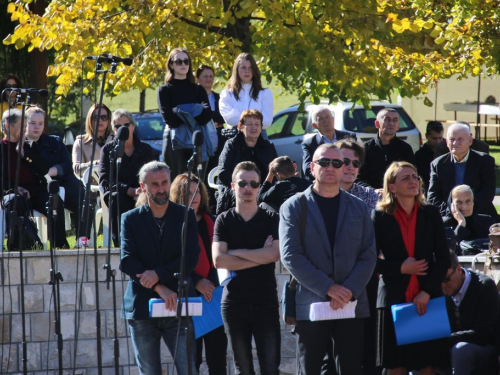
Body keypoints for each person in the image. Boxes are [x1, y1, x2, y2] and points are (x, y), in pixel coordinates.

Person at [280, 143, 377, 374]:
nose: (330, 167)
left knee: (351, 369)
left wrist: (348, 290)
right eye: (324, 162)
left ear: (344, 167)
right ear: (312, 167)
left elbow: (368, 254)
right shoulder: (293, 207)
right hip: (312, 304)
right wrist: (329, 288)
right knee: (311, 369)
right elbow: (291, 256)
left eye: (337, 162)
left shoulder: (360, 208)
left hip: (350, 304)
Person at [119, 161, 200, 375]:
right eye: (155, 184)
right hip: (142, 307)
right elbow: (128, 261)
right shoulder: (130, 219)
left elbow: (191, 257)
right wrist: (159, 287)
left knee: (189, 370)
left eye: (165, 182)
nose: (162, 188)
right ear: (143, 186)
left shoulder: (186, 215)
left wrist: (158, 274)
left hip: (179, 305)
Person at [372, 161, 450, 374]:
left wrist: (426, 292)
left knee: (426, 366)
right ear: (392, 186)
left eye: (415, 177)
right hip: (393, 301)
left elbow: (444, 258)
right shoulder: (379, 216)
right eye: (405, 178)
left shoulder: (431, 213)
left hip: (426, 300)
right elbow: (369, 261)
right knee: (395, 367)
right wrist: (400, 268)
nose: (413, 181)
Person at [213, 161, 281, 375]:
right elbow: (219, 261)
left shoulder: (271, 218)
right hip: (234, 303)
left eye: (254, 183)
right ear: (233, 186)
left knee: (271, 367)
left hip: (265, 302)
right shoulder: (223, 220)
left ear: (260, 187)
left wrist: (234, 252)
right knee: (243, 369)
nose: (248, 188)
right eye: (243, 183)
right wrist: (260, 255)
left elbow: (274, 255)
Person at [169, 173, 228, 375]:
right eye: (188, 193)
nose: (194, 197)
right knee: (191, 361)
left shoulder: (212, 221)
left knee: (218, 360)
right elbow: (170, 260)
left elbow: (221, 254)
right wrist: (195, 282)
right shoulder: (172, 225)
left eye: (197, 192)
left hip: (214, 296)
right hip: (187, 297)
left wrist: (209, 282)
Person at [25, 106, 91, 246]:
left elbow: (67, 165)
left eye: (41, 123)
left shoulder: (55, 141)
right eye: (32, 123)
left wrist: (51, 171)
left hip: (63, 181)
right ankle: (61, 246)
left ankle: (82, 241)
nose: (37, 127)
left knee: (85, 199)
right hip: (40, 188)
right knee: (54, 203)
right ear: (25, 123)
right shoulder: (21, 146)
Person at [1, 109, 67, 249]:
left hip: (36, 190)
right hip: (11, 191)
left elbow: (44, 169)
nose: (26, 130)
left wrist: (24, 153)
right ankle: (21, 246)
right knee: (14, 201)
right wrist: (13, 188)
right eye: (23, 126)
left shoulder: (30, 145)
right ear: (8, 126)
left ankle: (60, 247)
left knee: (54, 201)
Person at [99, 108, 154, 247]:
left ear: (133, 126)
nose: (122, 129)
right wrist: (129, 190)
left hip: (142, 192)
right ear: (113, 129)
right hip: (118, 193)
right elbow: (105, 180)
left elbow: (153, 174)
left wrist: (142, 191)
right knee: (117, 198)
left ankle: (149, 242)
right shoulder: (107, 150)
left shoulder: (145, 149)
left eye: (126, 125)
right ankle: (121, 243)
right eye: (118, 126)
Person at [158, 48, 212, 181]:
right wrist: (197, 108)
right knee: (176, 182)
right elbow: (170, 120)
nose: (183, 65)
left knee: (197, 183)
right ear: (171, 64)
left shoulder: (198, 89)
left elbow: (206, 117)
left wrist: (179, 111)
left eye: (186, 61)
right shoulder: (164, 90)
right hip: (174, 140)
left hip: (197, 138)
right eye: (179, 61)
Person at [442, 250, 500, 374]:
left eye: (446, 279)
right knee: (422, 350)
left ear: (458, 270)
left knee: (460, 351)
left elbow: (483, 334)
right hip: (452, 343)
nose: (442, 285)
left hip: (485, 347)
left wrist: (447, 339)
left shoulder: (484, 287)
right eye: (438, 280)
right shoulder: (440, 292)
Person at [428, 122, 497, 218]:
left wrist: (467, 211)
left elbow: (487, 193)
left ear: (470, 140)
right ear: (447, 142)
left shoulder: (485, 161)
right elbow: (433, 197)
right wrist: (452, 213)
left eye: (460, 139)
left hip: (479, 216)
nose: (455, 143)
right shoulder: (437, 164)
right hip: (448, 217)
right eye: (452, 139)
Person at [216, 109, 277, 214]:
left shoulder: (268, 146)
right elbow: (222, 172)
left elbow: (276, 172)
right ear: (240, 127)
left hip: (264, 191)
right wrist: (243, 186)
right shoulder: (231, 145)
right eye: (249, 124)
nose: (254, 127)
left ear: (261, 127)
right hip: (237, 190)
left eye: (257, 124)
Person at [357, 108, 415, 193]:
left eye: (395, 120)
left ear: (398, 125)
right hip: (372, 196)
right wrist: (373, 191)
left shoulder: (405, 149)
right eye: (387, 119)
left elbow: (412, 176)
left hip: (398, 195)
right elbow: (358, 178)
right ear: (377, 124)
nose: (391, 123)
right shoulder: (366, 148)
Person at [196, 65, 227, 210]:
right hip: (200, 143)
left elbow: (222, 118)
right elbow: (198, 117)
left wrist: (208, 117)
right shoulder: (194, 97)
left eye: (211, 76)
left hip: (218, 143)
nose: (208, 79)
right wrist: (210, 119)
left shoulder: (218, 97)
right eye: (205, 76)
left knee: (215, 175)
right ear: (197, 79)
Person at [219, 53, 273, 131]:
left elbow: (267, 122)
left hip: (259, 136)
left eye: (250, 68)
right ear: (237, 70)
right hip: (235, 136)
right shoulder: (227, 94)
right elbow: (230, 119)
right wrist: (256, 121)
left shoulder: (265, 94)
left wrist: (239, 116)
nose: (247, 71)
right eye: (243, 67)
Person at [302, 105, 356, 181]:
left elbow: (357, 161)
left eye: (327, 117)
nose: (326, 121)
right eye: (320, 119)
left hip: (347, 180)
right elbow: (307, 168)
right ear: (314, 125)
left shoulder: (349, 137)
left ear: (333, 119)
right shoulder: (310, 144)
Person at [336, 138, 379, 211]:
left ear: (359, 168)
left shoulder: (369, 195)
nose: (351, 167)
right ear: (335, 164)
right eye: (345, 161)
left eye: (356, 163)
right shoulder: (320, 192)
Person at [72, 103, 114, 179]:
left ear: (109, 120)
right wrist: (95, 163)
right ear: (89, 119)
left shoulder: (117, 139)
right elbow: (77, 169)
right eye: (96, 118)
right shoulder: (80, 142)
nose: (100, 120)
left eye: (104, 117)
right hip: (92, 186)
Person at [415, 121, 444, 193]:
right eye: (434, 138)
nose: (438, 141)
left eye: (440, 138)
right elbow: (423, 179)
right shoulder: (420, 155)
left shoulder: (448, 149)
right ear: (427, 136)